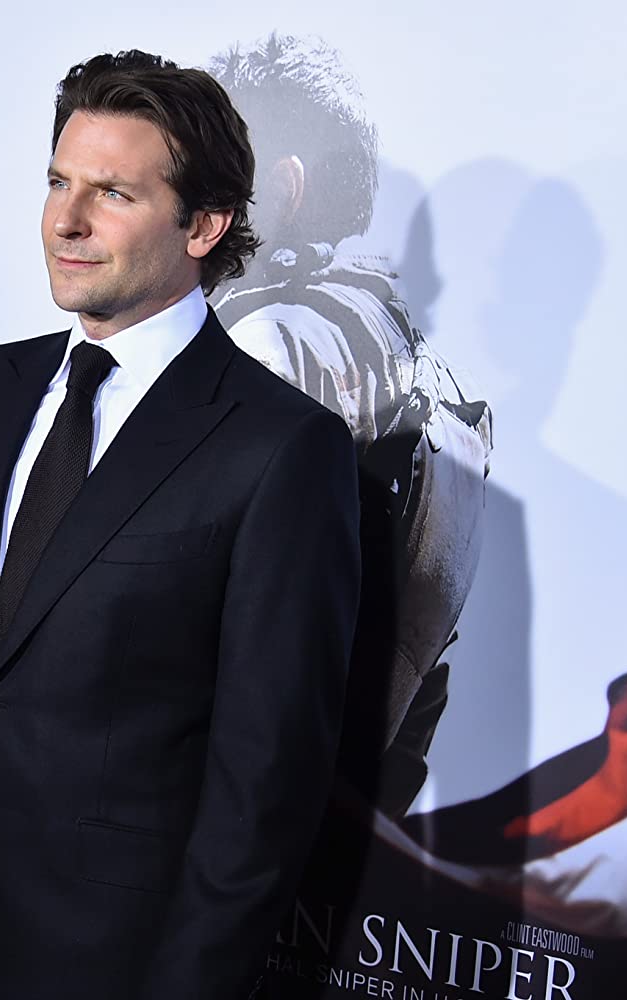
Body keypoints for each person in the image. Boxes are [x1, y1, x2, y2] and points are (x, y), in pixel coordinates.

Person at [0, 50, 361, 999]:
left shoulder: (282, 447)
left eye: (112, 193)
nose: (65, 221)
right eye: (58, 182)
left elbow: (264, 783)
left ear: (205, 224)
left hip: (113, 963)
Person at [208, 34, 491, 814]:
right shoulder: (439, 388)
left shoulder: (269, 348)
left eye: (197, 170)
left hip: (197, 834)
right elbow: (417, 709)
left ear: (282, 188)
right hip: (322, 838)